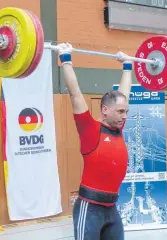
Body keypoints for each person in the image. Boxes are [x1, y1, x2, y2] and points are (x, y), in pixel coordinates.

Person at [56, 43, 132, 240]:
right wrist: (66, 59)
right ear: (105, 110)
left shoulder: (117, 128)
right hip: (89, 210)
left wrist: (127, 66)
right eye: (121, 111)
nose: (125, 116)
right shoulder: (90, 130)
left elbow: (124, 95)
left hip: (111, 210)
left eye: (126, 112)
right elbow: (75, 94)